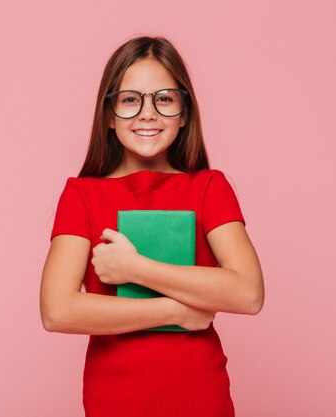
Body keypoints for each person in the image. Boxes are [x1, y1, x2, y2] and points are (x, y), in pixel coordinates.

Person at [40, 35, 264, 417]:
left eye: (164, 98)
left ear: (184, 113)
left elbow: (248, 293)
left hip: (200, 396)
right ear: (108, 115)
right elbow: (57, 310)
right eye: (130, 100)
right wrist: (174, 312)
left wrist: (134, 268)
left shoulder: (209, 187)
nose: (148, 113)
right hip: (116, 399)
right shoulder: (81, 195)